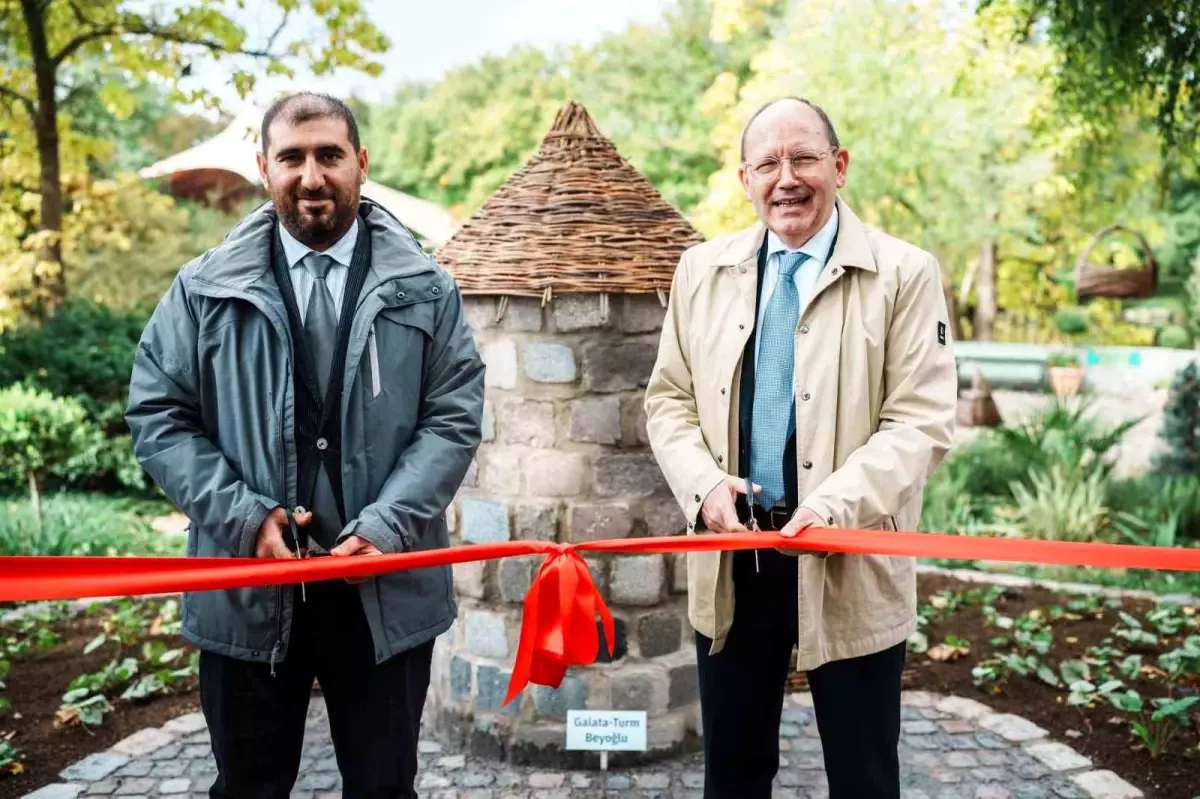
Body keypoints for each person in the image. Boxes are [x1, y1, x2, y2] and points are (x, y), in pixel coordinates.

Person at [126, 92, 485, 799]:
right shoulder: (202, 289)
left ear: (361, 164)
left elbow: (452, 416)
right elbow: (158, 413)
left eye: (329, 155)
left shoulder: (426, 286)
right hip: (248, 586)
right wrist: (245, 517)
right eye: (292, 157)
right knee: (249, 787)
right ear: (264, 166)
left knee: (384, 788)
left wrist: (386, 524)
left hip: (384, 585)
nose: (311, 175)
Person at [643, 97, 957, 798]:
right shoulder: (700, 270)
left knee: (863, 776)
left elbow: (922, 422)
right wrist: (703, 487)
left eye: (805, 158)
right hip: (733, 557)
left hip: (848, 561)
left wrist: (830, 509)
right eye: (768, 163)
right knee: (733, 772)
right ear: (744, 179)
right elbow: (667, 400)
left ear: (839, 167)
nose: (787, 177)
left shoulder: (904, 273)